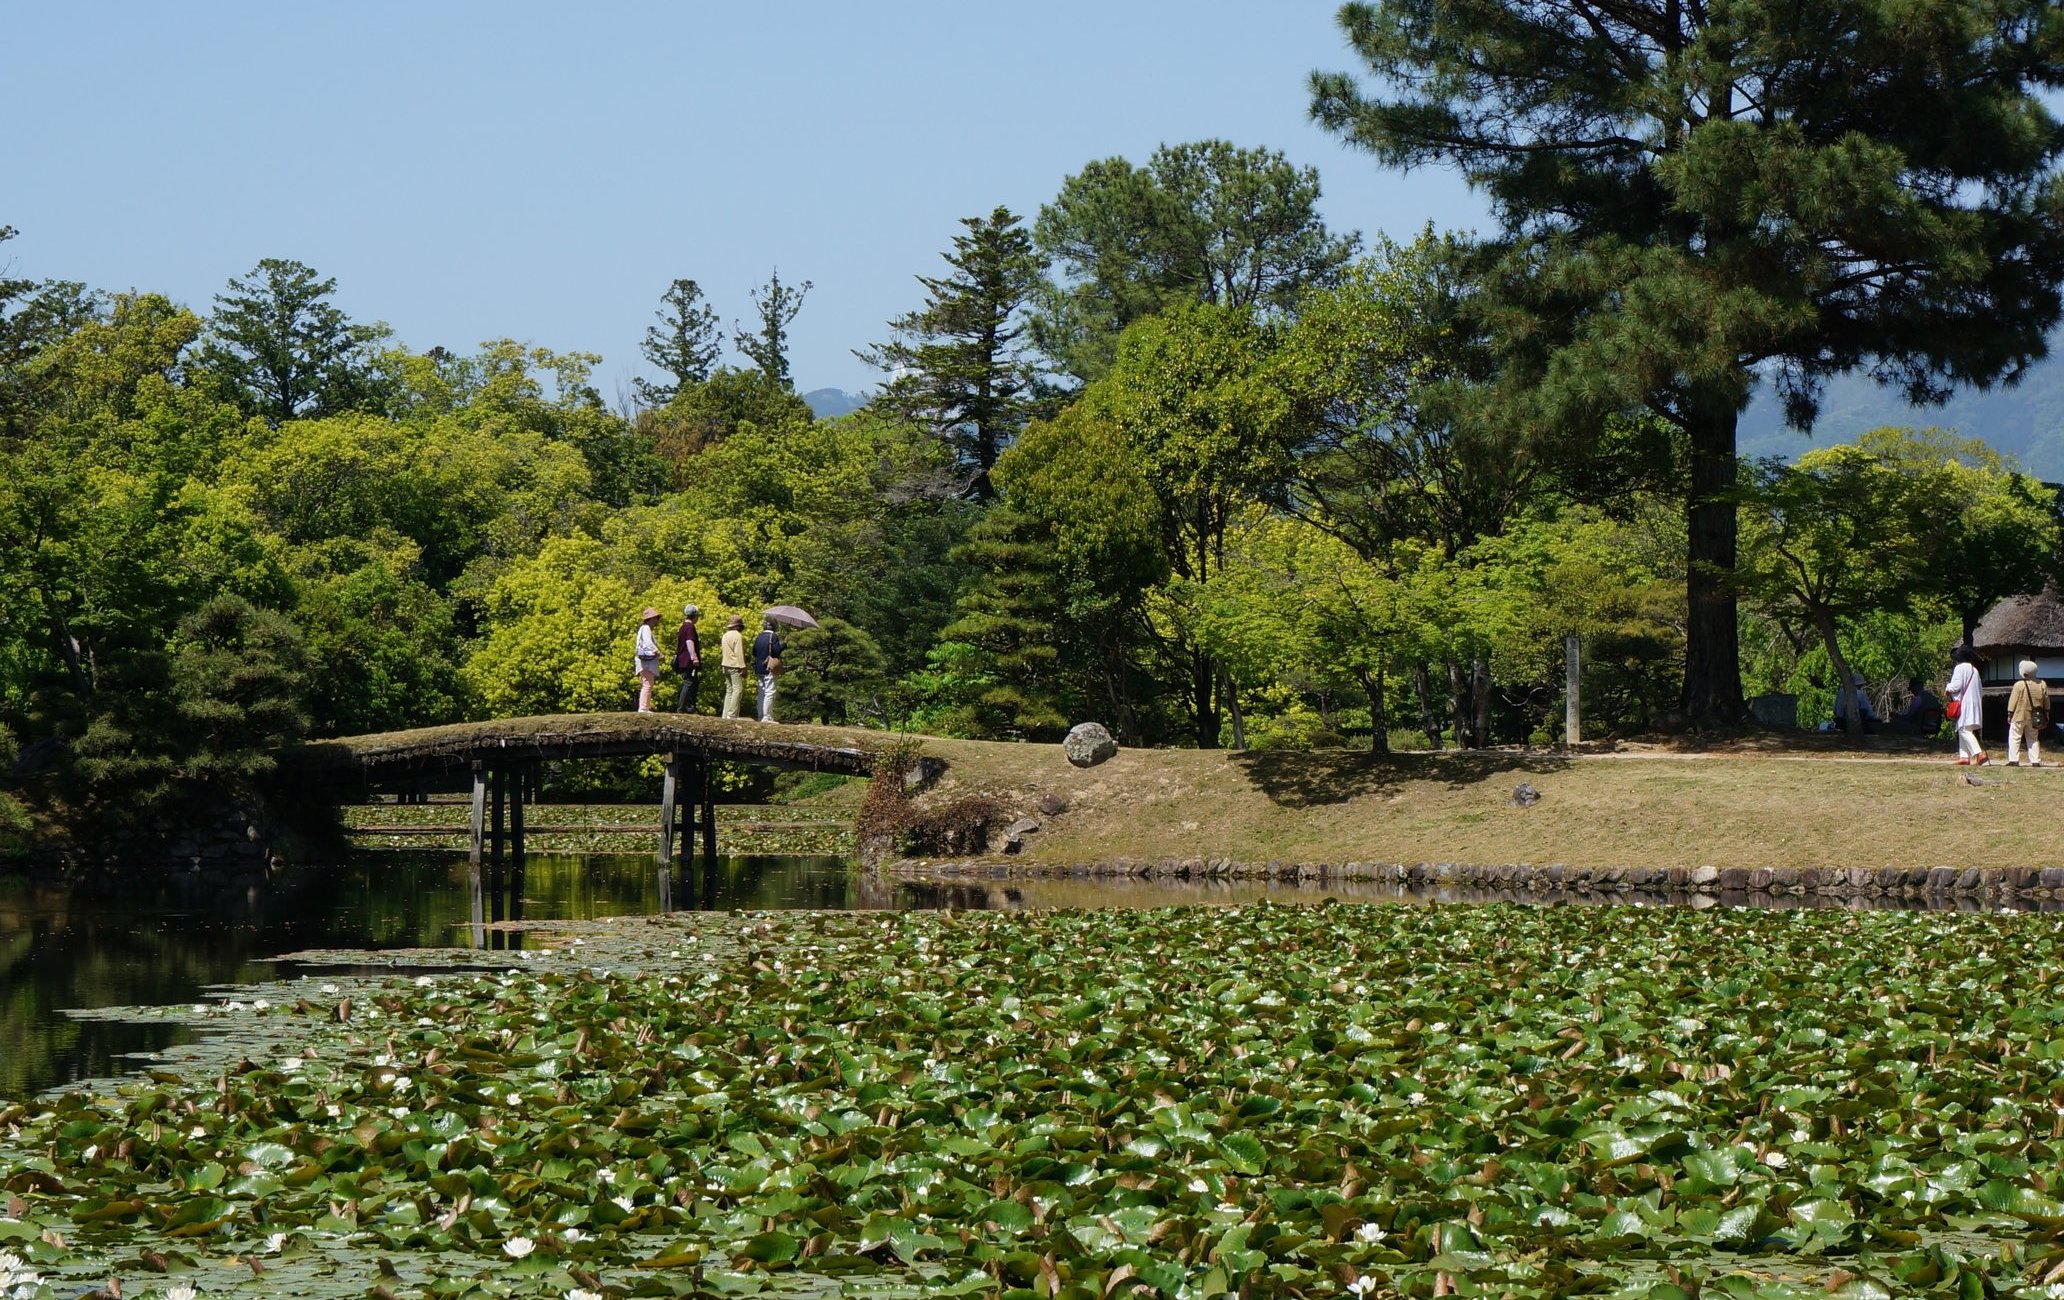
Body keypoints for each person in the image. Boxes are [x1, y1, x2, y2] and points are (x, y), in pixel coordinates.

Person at [1945, 645, 1987, 765]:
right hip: (1975, 701)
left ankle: (1979, 753)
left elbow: (1956, 686)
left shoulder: (1960, 668)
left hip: (1965, 702)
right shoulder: (1974, 670)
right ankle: (1964, 756)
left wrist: (1947, 687)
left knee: (1963, 729)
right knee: (1965, 728)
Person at [2007, 658, 2049, 767]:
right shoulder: (2042, 684)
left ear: (2025, 673)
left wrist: (2010, 713)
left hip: (2019, 715)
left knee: (2015, 737)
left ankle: (2014, 760)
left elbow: (2013, 701)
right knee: (2033, 738)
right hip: (2035, 716)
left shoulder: (2019, 685)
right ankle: (2035, 761)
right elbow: (2046, 700)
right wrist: (2046, 713)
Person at [752, 618, 786, 723]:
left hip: (759, 667)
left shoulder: (759, 636)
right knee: (770, 692)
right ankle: (767, 717)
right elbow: (776, 651)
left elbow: (754, 652)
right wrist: (784, 644)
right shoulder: (773, 636)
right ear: (774, 626)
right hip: (769, 667)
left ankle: (760, 715)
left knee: (761, 692)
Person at [632, 607, 664, 713]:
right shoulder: (646, 628)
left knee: (647, 684)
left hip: (644, 661)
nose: (656, 621)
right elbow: (648, 643)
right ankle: (643, 708)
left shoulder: (644, 628)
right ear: (650, 619)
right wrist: (657, 652)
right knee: (647, 684)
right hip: (646, 662)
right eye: (655, 618)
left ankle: (644, 707)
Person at [672, 604, 703, 713]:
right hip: (687, 660)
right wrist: (694, 657)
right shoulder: (689, 627)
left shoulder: (682, 627)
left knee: (693, 682)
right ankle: (681, 708)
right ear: (694, 615)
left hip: (682, 660)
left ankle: (689, 707)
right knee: (688, 682)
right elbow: (689, 642)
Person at [719, 615, 748, 719]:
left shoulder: (725, 635)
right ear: (738, 626)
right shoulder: (737, 636)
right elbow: (738, 653)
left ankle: (725, 714)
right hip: (734, 665)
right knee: (738, 689)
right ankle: (732, 715)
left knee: (729, 690)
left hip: (725, 664)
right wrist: (743, 667)